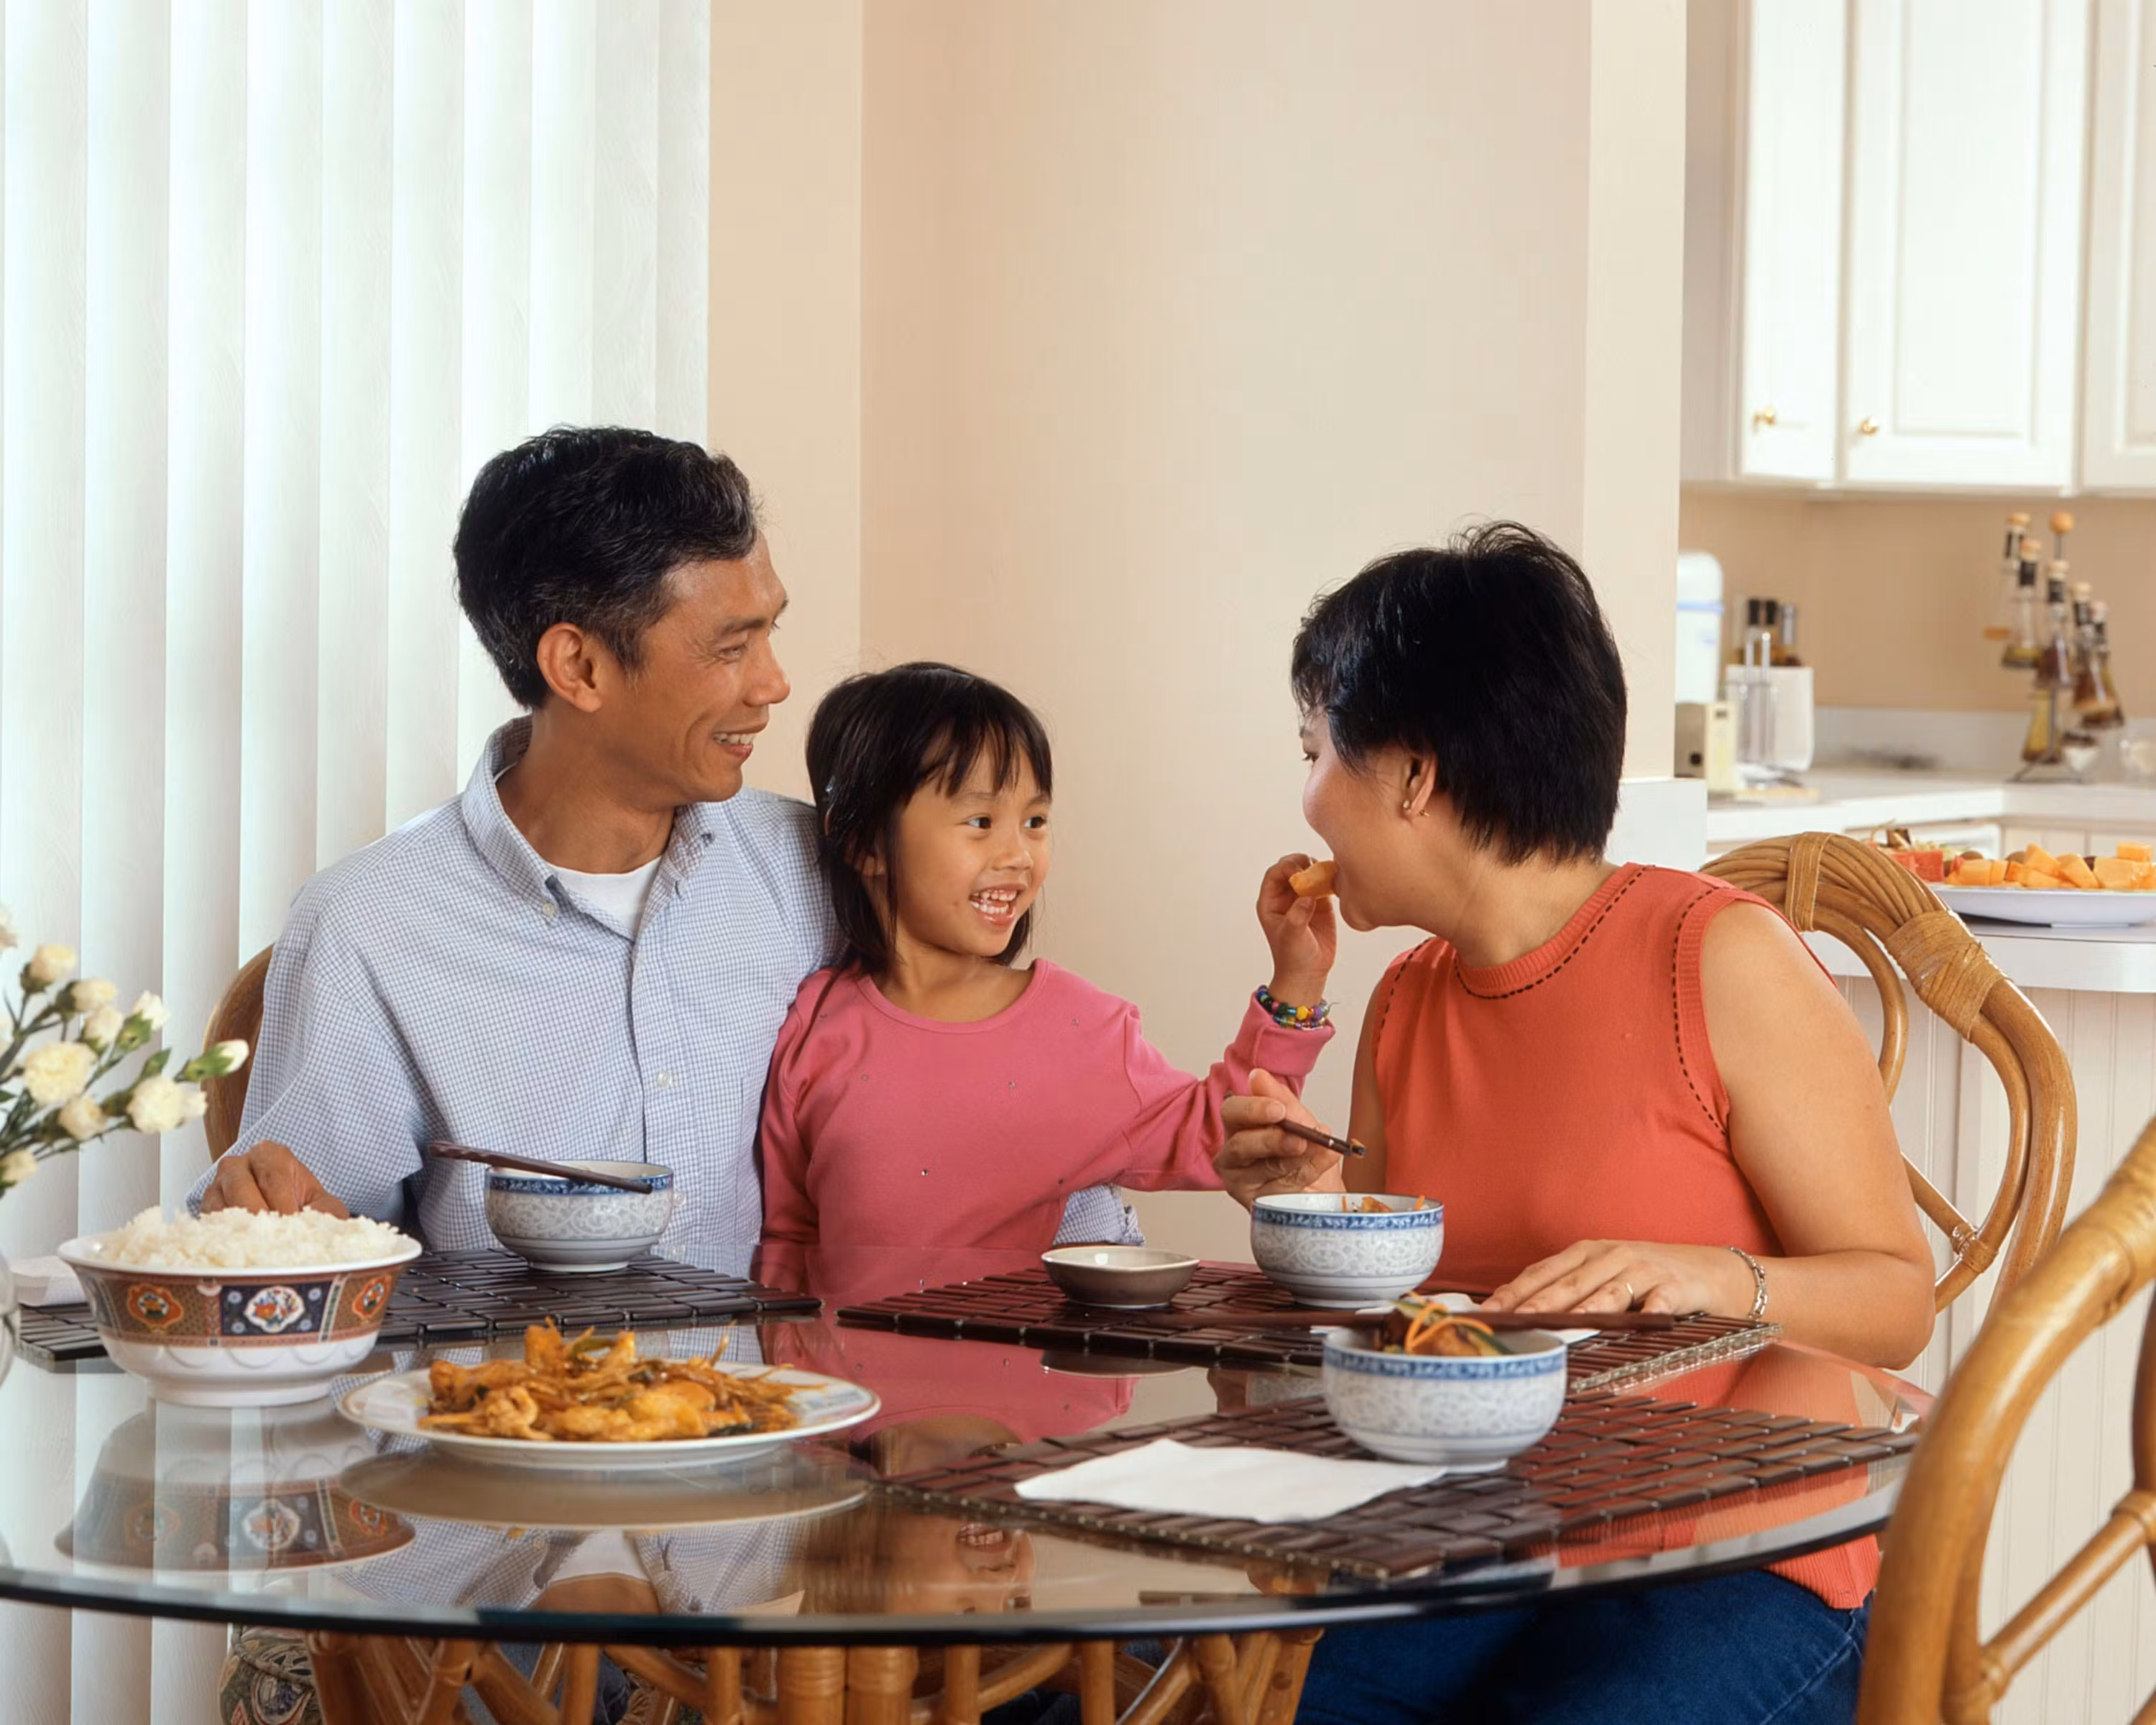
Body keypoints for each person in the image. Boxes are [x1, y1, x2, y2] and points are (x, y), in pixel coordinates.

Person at [1213, 523, 1934, 1725]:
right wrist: (1302, 1209)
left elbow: (1897, 1301)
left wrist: (1712, 1276)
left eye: (1317, 751)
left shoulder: (1717, 959)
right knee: (1212, 1703)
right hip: (1489, 1532)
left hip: (1741, 1540)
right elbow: (1404, 1325)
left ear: (1412, 775)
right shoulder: (1404, 1002)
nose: (1307, 800)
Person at [189, 428, 1129, 1249]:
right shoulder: (373, 926)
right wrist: (266, 1223)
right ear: (581, 665)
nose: (774, 684)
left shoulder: (828, 871)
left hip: (824, 1438)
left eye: (771, 634)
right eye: (730, 648)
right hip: (508, 1439)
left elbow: (1017, 1109)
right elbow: (289, 1246)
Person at [757, 662, 1337, 1248]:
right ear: (861, 842)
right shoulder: (815, 1024)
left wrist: (1298, 981)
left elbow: (1224, 1132)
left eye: (1035, 821)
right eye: (981, 821)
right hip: (840, 1345)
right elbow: (789, 1239)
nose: (1019, 855)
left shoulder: (1081, 1027)